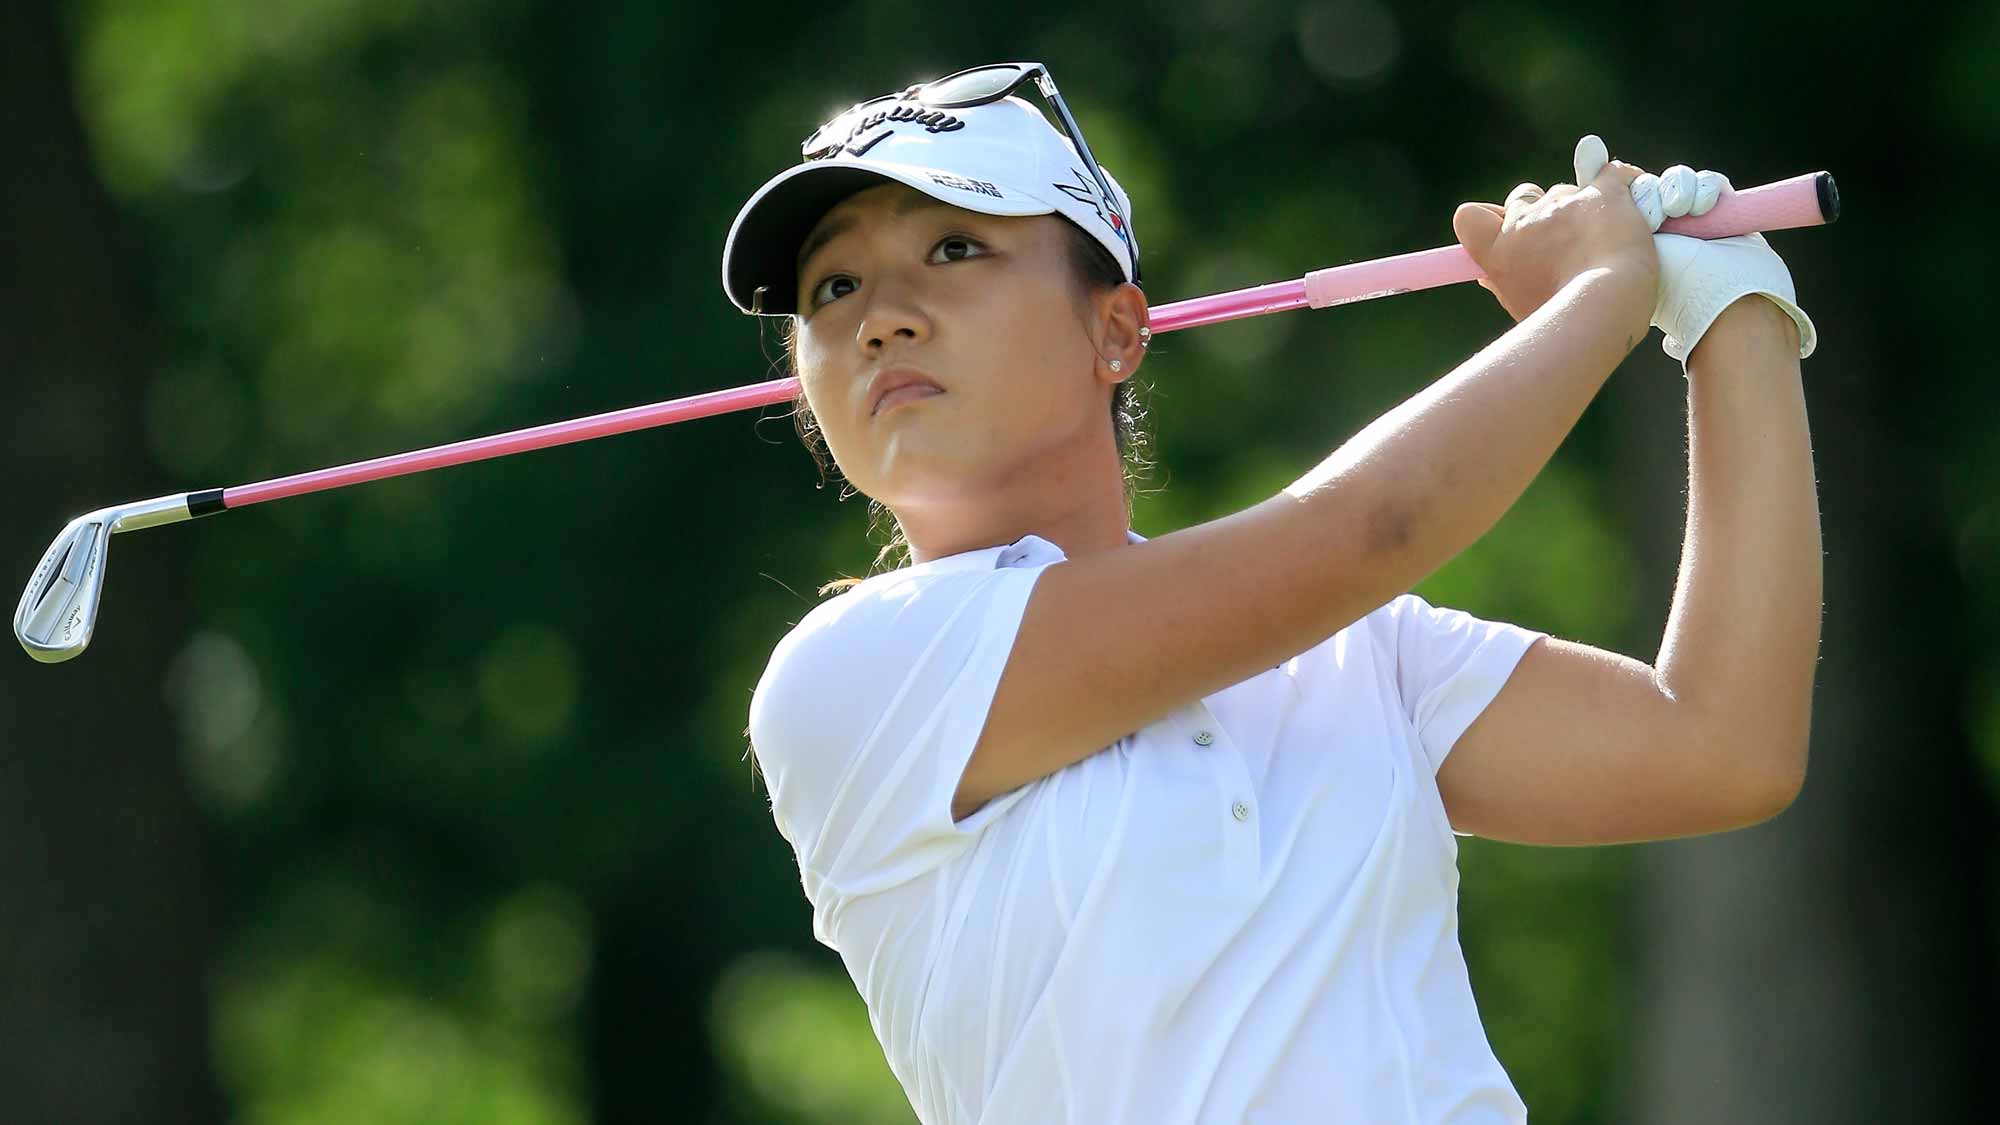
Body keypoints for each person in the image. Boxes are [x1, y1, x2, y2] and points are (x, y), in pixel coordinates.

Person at [727, 62, 1822, 1124]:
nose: (881, 317)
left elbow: (1719, 747)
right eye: (834, 288)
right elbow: (1367, 529)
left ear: (1113, 329)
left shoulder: (1353, 649)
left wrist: (1730, 319)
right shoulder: (849, 676)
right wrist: (1597, 291)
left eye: (953, 247)